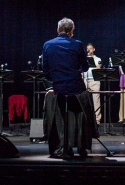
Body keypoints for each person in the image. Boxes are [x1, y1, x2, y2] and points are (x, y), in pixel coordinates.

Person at [41, 17, 97, 158]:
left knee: (58, 104)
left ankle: (61, 146)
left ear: (58, 30)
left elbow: (45, 70)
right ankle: (82, 146)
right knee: (85, 106)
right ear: (71, 31)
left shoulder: (47, 45)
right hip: (75, 88)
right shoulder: (77, 44)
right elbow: (84, 67)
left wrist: (56, 80)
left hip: (58, 88)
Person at [83, 43, 102, 124]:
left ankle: (97, 121)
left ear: (93, 49)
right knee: (84, 100)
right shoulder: (84, 59)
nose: (89, 50)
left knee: (96, 101)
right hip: (85, 80)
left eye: (90, 48)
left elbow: (98, 68)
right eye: (88, 49)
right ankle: (85, 119)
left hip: (94, 81)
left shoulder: (98, 59)